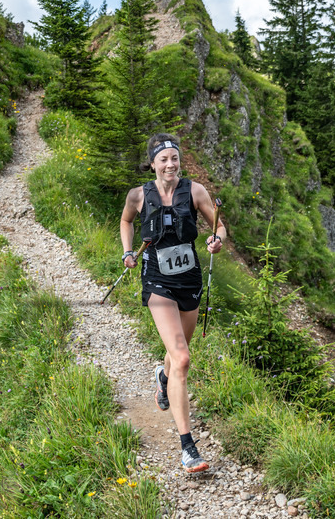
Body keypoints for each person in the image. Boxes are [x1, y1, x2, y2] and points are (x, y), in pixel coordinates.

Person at [120, 133, 226, 474]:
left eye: (175, 158)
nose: (170, 164)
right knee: (182, 358)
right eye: (163, 159)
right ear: (152, 163)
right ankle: (188, 448)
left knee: (177, 353)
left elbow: (219, 226)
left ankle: (163, 378)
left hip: (189, 280)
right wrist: (127, 251)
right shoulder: (138, 195)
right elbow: (126, 221)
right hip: (157, 281)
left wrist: (216, 240)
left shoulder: (195, 191)